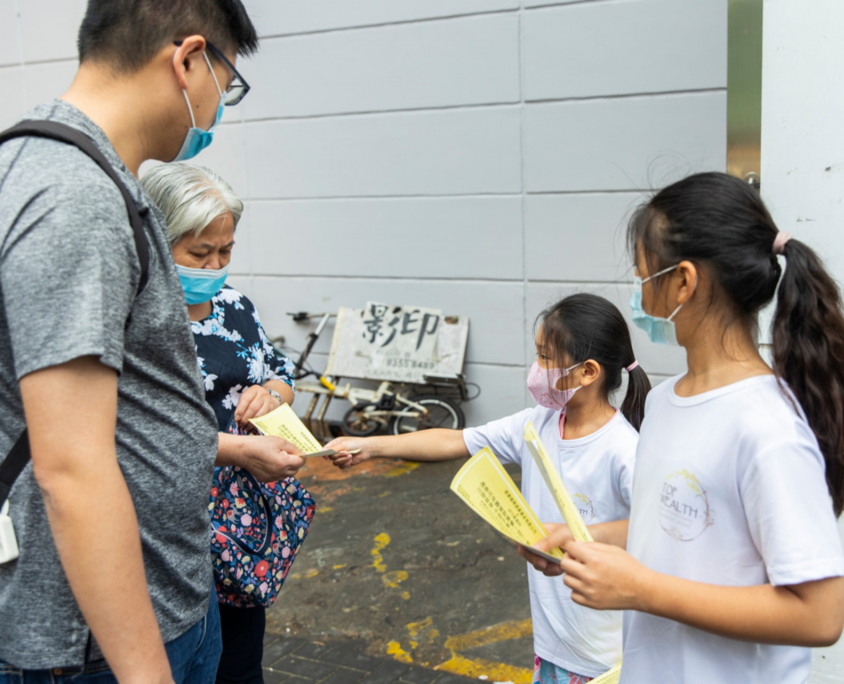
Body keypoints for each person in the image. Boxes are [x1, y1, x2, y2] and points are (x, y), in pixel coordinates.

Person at [0, 2, 261, 683]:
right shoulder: (75, 196)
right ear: (188, 60)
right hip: (99, 641)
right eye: (225, 81)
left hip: (161, 599)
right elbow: (72, 469)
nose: (218, 104)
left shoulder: (60, 170)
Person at [524, 172, 844, 683]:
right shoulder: (665, 403)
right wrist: (581, 539)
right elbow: (670, 526)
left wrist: (640, 590)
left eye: (644, 276)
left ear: (684, 281)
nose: (640, 295)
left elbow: (820, 614)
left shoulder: (767, 426)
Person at [325, 293, 650, 683]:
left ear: (588, 372)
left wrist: (577, 536)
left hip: (605, 658)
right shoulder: (537, 424)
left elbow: (652, 530)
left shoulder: (624, 449)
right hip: (551, 646)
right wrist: (369, 446)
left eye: (546, 358)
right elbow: (453, 440)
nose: (536, 369)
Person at [142, 162, 306, 684]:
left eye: (226, 250)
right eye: (199, 253)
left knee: (239, 660)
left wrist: (270, 394)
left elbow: (280, 371)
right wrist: (236, 452)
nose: (215, 264)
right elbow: (141, 425)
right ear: (155, 239)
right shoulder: (137, 314)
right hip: (172, 521)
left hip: (245, 520)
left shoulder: (235, 305)